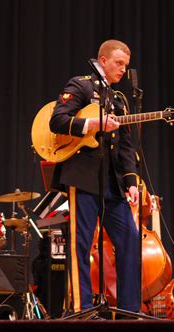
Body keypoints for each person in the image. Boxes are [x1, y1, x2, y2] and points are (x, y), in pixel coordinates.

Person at [49, 39, 140, 315]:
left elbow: (126, 146)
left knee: (130, 241)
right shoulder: (81, 85)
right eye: (118, 63)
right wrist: (92, 124)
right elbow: (57, 120)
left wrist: (131, 181)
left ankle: (129, 310)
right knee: (81, 244)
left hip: (112, 182)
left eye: (126, 65)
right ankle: (82, 308)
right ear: (103, 61)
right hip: (84, 177)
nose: (123, 69)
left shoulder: (120, 99)